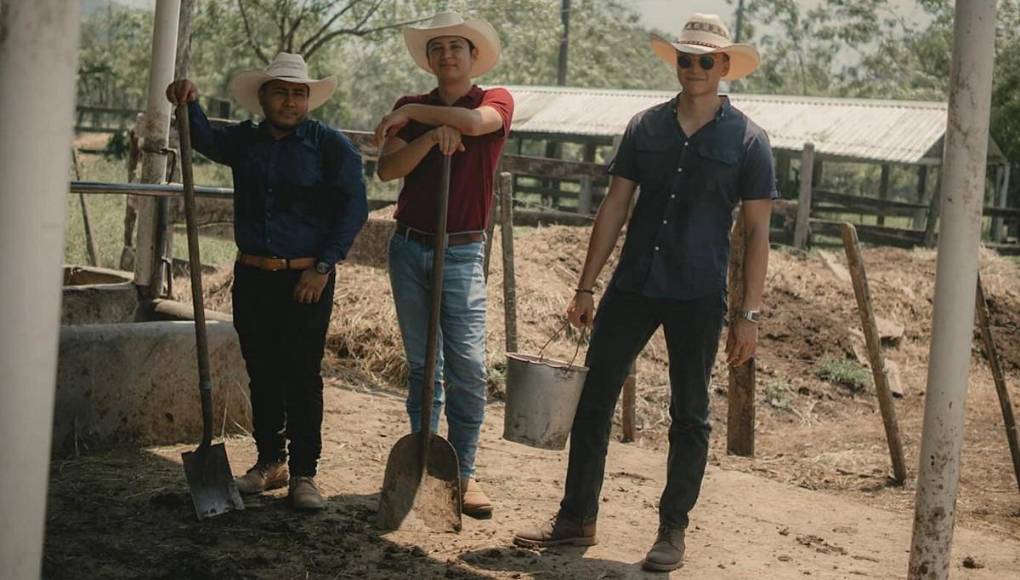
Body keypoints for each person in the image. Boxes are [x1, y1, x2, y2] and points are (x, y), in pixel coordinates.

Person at [513, 13, 776, 571]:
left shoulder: (750, 141)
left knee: (690, 414)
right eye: (687, 59)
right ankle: (575, 518)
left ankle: (671, 532)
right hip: (632, 284)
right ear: (675, 63)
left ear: (725, 66)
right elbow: (614, 206)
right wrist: (586, 285)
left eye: (707, 60)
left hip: (699, 294)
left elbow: (755, 232)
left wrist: (749, 313)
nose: (696, 68)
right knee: (593, 399)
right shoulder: (644, 128)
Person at [166, 52, 368, 511]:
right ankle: (269, 461)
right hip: (253, 275)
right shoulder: (246, 142)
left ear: (309, 99)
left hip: (306, 279)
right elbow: (203, 138)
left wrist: (322, 267)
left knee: (301, 374)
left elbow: (355, 207)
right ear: (263, 97)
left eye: (299, 93)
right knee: (261, 371)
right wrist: (188, 100)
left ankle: (304, 474)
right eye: (280, 91)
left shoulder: (330, 146)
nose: (290, 101)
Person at [374, 11, 514, 519]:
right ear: (429, 59)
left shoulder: (494, 99)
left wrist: (419, 115)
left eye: (457, 47)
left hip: (461, 249)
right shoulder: (408, 108)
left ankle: (465, 469)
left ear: (473, 56)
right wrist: (430, 138)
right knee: (421, 365)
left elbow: (477, 125)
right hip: (410, 244)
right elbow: (389, 168)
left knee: (469, 368)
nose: (447, 56)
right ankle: (424, 463)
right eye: (438, 49)